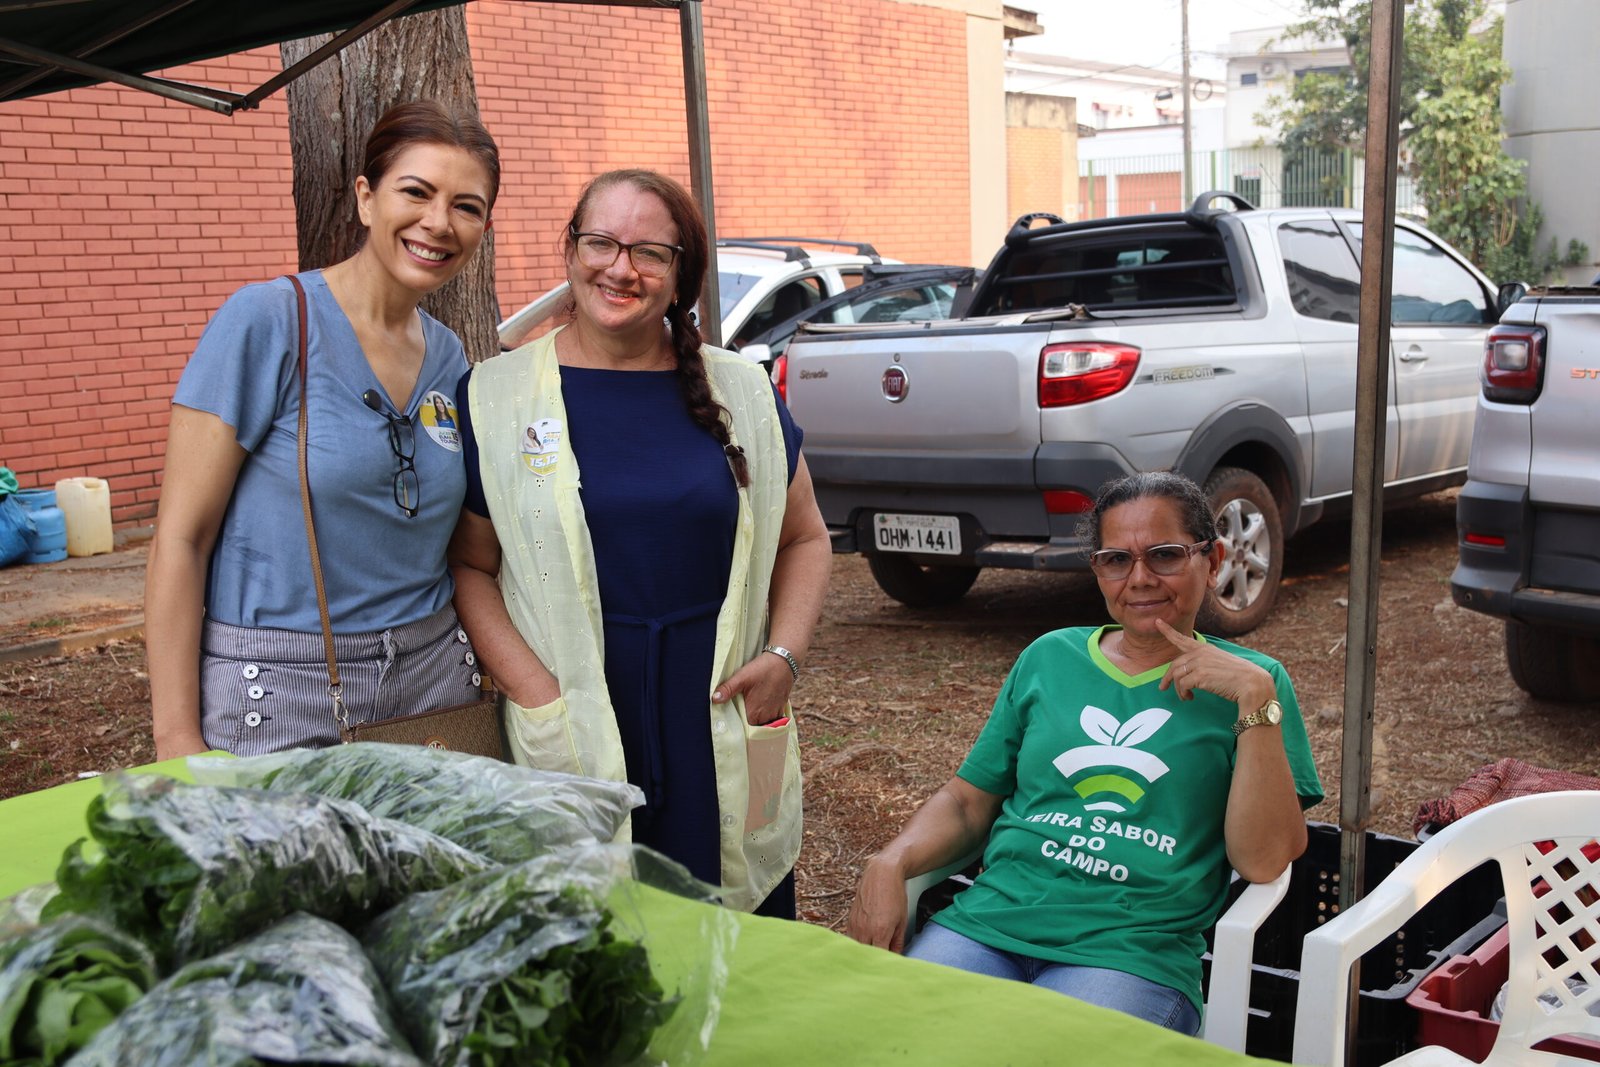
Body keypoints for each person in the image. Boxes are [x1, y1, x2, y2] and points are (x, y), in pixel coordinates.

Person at [448, 169, 831, 917]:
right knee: (599, 944)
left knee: (742, 947)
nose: (621, 268)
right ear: (570, 250)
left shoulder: (739, 390)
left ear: (680, 273)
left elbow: (807, 536)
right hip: (581, 710)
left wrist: (783, 656)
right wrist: (535, 690)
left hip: (717, 707)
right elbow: (471, 564)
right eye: (601, 242)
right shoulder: (496, 396)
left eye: (650, 251)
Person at [846, 470, 1322, 1033]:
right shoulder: (1051, 657)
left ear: (1213, 560)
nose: (1140, 579)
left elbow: (1265, 859)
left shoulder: (1256, 683)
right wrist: (890, 861)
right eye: (1116, 559)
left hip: (1129, 955)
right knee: (890, 1034)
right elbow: (967, 802)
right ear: (1097, 568)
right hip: (988, 926)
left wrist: (1254, 703)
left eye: (1165, 555)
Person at [146, 101, 499, 760]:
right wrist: (176, 738)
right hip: (285, 689)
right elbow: (180, 538)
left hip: (434, 684)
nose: (438, 222)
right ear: (367, 199)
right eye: (415, 192)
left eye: (467, 206)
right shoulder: (269, 323)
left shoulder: (451, 357)